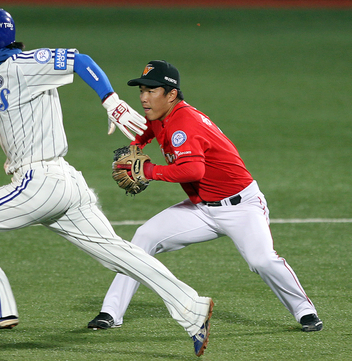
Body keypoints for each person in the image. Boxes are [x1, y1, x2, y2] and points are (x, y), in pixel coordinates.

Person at [0, 6, 213, 357]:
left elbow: (81, 61)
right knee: (117, 254)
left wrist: (110, 100)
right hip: (62, 186)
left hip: (42, 180)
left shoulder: (26, 63)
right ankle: (192, 307)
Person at [87, 60, 323, 333]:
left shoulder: (183, 124)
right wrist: (136, 144)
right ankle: (110, 312)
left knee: (262, 260)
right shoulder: (162, 117)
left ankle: (305, 312)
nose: (143, 97)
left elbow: (192, 170)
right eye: (141, 90)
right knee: (144, 237)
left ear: (171, 94)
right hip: (201, 208)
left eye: (151, 91)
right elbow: (150, 130)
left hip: (241, 206)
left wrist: (149, 171)